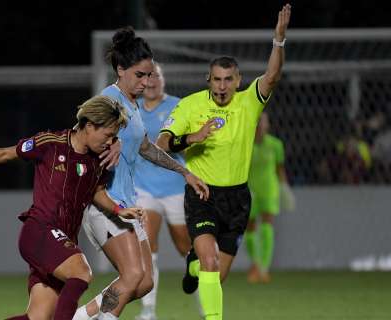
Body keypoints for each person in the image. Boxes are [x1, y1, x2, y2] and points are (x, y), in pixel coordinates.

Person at [0, 95, 145, 320]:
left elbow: (97, 193)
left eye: (114, 137)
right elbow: (5, 153)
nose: (110, 142)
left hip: (63, 240)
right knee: (81, 272)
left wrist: (119, 210)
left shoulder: (98, 160)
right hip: (40, 230)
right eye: (108, 135)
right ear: (89, 125)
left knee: (37, 318)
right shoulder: (51, 143)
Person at [155, 4, 291, 319]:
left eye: (228, 79)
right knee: (211, 264)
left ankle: (192, 265)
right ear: (209, 80)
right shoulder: (190, 106)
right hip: (202, 193)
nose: (222, 86)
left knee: (216, 275)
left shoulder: (248, 103)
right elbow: (162, 144)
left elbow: (272, 75)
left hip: (238, 198)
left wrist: (279, 40)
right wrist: (192, 138)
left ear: (238, 80)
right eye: (217, 79)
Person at [74, 27, 209, 320]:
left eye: (149, 75)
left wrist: (183, 172)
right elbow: (80, 140)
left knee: (144, 282)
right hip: (108, 205)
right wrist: (110, 140)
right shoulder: (107, 102)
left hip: (129, 203)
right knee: (133, 275)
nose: (147, 82)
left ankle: (81, 316)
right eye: (140, 75)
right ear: (120, 70)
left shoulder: (131, 104)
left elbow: (146, 146)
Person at [133, 63, 198, 320]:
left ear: (163, 80)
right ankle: (148, 311)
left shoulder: (179, 106)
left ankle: (207, 307)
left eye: (156, 76)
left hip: (175, 187)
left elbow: (191, 144)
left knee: (187, 248)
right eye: (146, 76)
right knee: (147, 247)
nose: (151, 81)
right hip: (143, 188)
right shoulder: (131, 109)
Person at [245, 113, 294, 284]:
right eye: (256, 122)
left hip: (269, 191)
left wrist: (284, 188)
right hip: (249, 191)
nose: (259, 125)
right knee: (249, 231)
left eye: (262, 122)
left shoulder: (275, 145)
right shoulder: (245, 144)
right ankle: (256, 264)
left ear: (267, 125)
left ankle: (263, 268)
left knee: (266, 227)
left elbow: (280, 169)